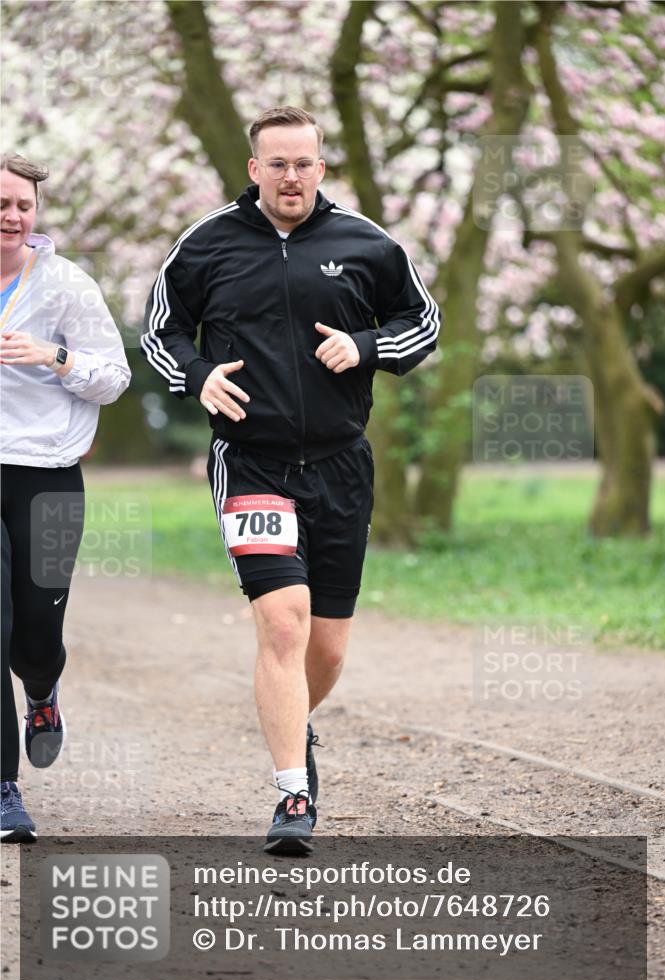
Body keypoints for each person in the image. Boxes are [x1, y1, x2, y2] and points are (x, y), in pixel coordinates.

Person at [141, 106, 440, 854]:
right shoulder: (206, 245)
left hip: (341, 464)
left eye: (303, 163)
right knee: (281, 622)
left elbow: (423, 324)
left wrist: (365, 346)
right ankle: (292, 794)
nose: (291, 177)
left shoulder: (365, 244)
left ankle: (293, 713)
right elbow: (161, 333)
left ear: (321, 167)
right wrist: (198, 375)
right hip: (251, 463)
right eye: (277, 164)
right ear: (254, 170)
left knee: (327, 649)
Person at [0, 153, 131, 842]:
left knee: (34, 631)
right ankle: (3, 786)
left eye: (22, 204)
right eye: (2, 205)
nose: (13, 216)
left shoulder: (65, 285)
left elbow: (113, 378)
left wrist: (52, 357)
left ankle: (42, 691)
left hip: (46, 474)